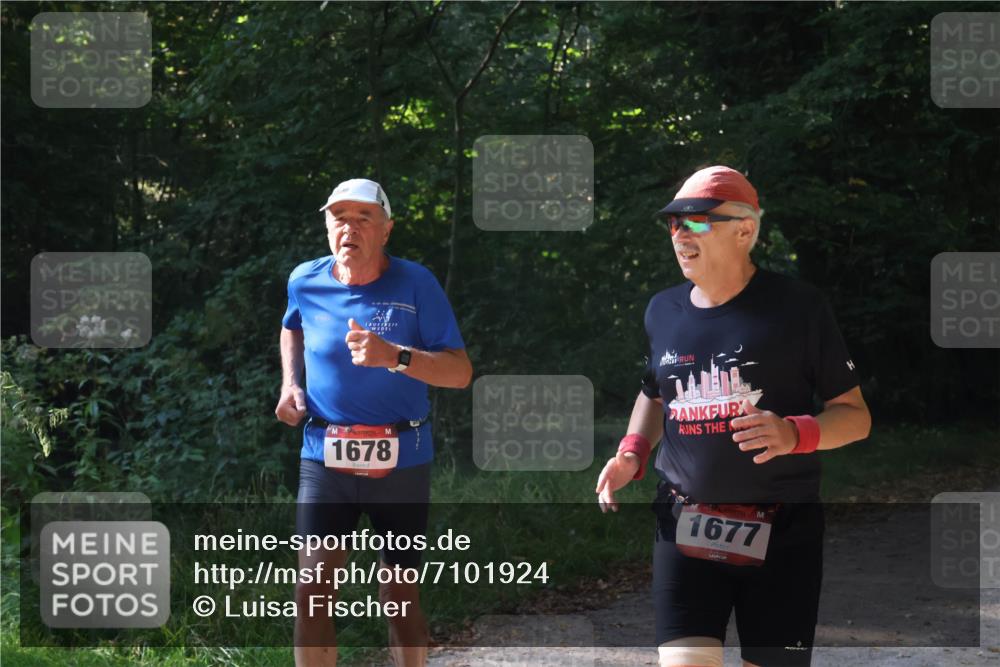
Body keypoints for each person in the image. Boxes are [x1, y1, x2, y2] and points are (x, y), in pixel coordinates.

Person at [595, 166, 871, 667]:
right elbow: (655, 395)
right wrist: (631, 455)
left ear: (745, 230)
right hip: (684, 524)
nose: (680, 234)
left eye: (697, 221)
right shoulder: (663, 311)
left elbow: (855, 417)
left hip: (783, 532)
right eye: (673, 224)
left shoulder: (798, 308)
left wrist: (795, 433)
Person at [275, 178, 472, 667]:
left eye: (364, 218)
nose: (350, 228)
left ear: (386, 230)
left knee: (400, 598)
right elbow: (291, 327)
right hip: (324, 457)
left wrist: (395, 357)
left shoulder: (415, 283)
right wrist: (289, 384)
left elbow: (460, 373)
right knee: (311, 592)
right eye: (340, 217)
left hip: (402, 460)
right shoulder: (305, 280)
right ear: (327, 227)